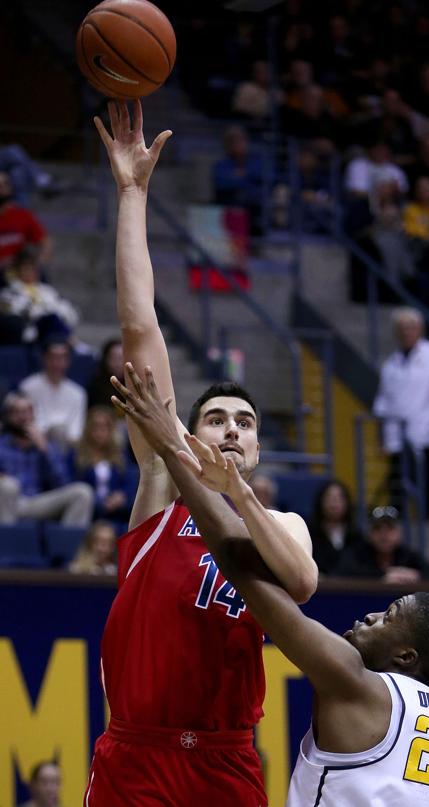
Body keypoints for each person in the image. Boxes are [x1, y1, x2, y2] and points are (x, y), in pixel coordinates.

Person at [109, 362, 429, 806]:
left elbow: (252, 583)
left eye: (389, 616)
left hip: (211, 756)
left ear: (406, 656)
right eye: (217, 420)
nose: (370, 615)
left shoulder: (353, 680)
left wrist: (178, 452)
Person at [87, 100, 317, 807]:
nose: (230, 428)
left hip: (226, 761)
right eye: (214, 417)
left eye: (244, 421)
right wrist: (132, 195)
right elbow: (139, 325)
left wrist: (239, 495)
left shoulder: (285, 526)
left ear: (255, 442)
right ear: (186, 431)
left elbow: (301, 585)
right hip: (138, 752)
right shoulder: (163, 476)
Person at [373, 307, 429, 516]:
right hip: (396, 436)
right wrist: (381, 436)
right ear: (396, 332)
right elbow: (382, 404)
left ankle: (427, 524)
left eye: (412, 327)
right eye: (403, 328)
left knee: (426, 486)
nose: (407, 332)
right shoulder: (390, 365)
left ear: (420, 330)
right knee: (397, 489)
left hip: (427, 434)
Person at [0, 391, 93, 526]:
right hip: (11, 502)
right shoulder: (2, 445)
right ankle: (6, 544)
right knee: (8, 486)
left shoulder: (46, 445)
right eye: (17, 412)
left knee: (82, 493)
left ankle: (68, 545)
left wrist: (45, 450)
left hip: (38, 501)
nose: (23, 417)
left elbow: (62, 483)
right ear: (8, 416)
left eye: (27, 411)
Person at [336, 505, 429, 583]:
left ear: (398, 533)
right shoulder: (358, 553)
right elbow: (341, 573)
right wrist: (383, 575)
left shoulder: (406, 555)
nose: (384, 535)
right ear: (370, 534)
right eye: (378, 529)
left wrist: (415, 575)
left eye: (390, 529)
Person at [0, 246, 79, 344]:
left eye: (33, 270)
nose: (30, 273)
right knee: (51, 319)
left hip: (52, 325)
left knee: (54, 319)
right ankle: (73, 343)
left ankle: (68, 342)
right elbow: (18, 310)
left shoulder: (47, 290)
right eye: (26, 270)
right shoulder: (9, 291)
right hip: (31, 329)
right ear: (18, 272)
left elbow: (65, 309)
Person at [20, 338, 87, 448]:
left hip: (68, 446)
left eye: (61, 358)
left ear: (68, 361)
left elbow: (76, 431)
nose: (56, 363)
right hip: (34, 443)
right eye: (52, 358)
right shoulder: (28, 387)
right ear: (44, 358)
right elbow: (27, 423)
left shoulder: (78, 393)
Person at [71, 406, 133, 523]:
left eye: (105, 427)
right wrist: (100, 502)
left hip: (117, 514)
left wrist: (121, 497)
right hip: (89, 514)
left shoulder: (121, 456)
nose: (100, 432)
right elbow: (73, 485)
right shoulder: (76, 454)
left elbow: (129, 484)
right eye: (96, 427)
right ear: (88, 429)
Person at [0, 172, 51, 276]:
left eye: (4, 184)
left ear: (10, 188)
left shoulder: (23, 215)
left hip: (19, 270)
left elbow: (45, 242)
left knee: (43, 277)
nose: (1, 189)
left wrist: (38, 264)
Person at [308, 479, 362, 576]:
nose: (334, 503)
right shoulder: (310, 532)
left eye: (339, 498)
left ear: (347, 503)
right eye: (329, 498)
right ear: (321, 502)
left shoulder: (356, 535)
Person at [86, 338, 124, 410]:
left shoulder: (134, 386)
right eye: (114, 358)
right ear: (105, 359)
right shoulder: (94, 386)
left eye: (121, 358)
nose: (117, 363)